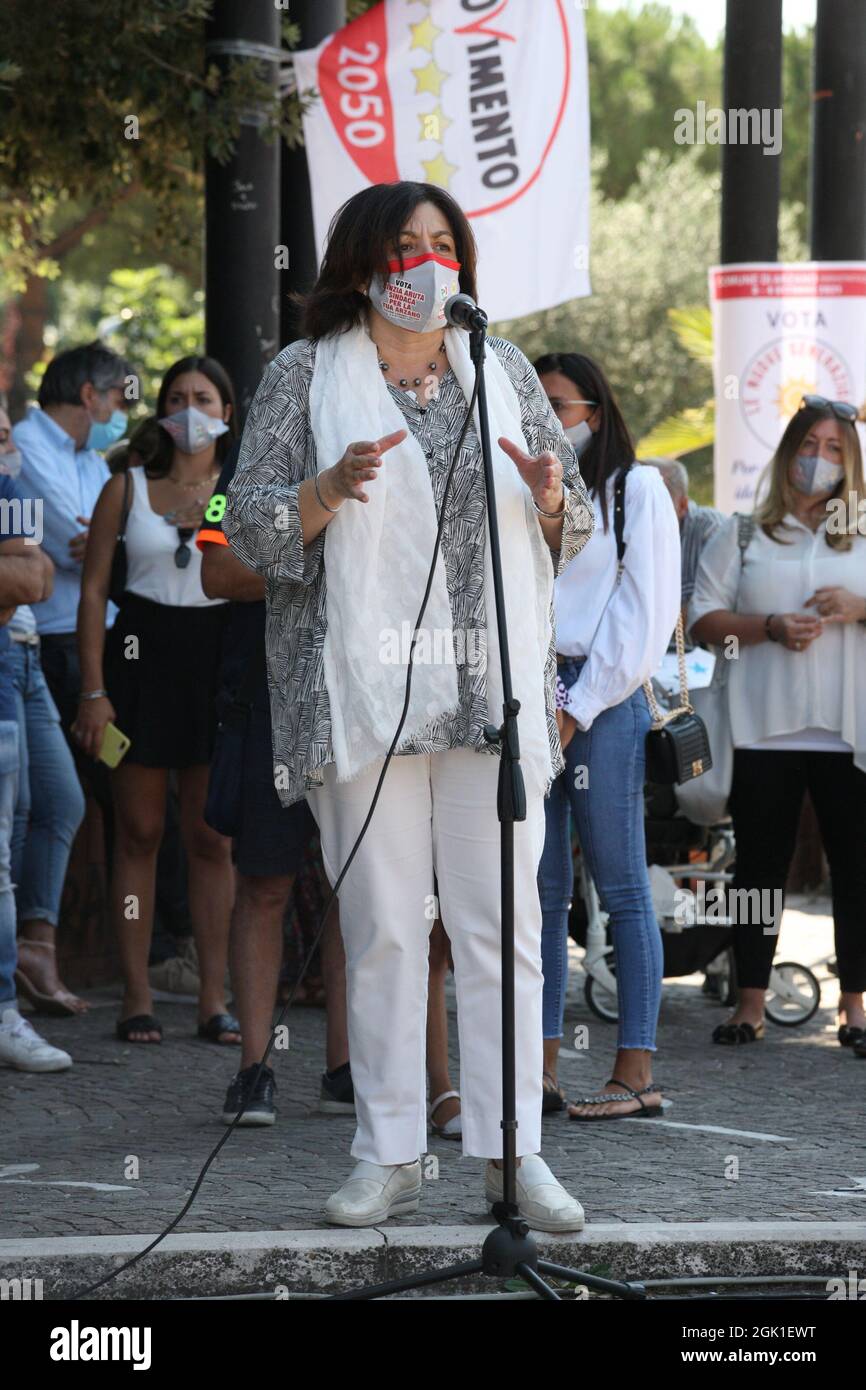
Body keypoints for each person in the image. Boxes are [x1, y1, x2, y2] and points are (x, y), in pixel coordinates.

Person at [223, 181, 594, 1230]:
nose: (424, 263)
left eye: (443, 245)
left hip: (491, 691)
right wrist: (327, 488)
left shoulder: (501, 366)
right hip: (364, 690)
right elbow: (243, 524)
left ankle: (510, 1152)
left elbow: (564, 529)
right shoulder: (303, 374)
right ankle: (385, 1150)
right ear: (360, 261)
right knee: (384, 926)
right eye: (403, 245)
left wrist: (554, 498)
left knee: (503, 928)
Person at [689, 396, 866, 1049]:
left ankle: (856, 1008)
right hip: (762, 729)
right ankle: (750, 1004)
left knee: (858, 866)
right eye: (810, 445)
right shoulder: (741, 532)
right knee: (759, 868)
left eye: (835, 449)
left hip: (851, 730)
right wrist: (765, 627)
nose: (820, 460)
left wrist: (857, 605)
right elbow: (701, 621)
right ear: (788, 451)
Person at [74, 357, 239, 1046]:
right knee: (138, 832)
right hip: (139, 662)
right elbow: (91, 594)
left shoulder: (235, 490)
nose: (190, 409)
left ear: (227, 412)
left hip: (214, 660)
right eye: (177, 397)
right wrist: (94, 690)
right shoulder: (127, 487)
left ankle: (213, 997)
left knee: (210, 837)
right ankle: (137, 994)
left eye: (204, 398)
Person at [533, 351, 680, 1119]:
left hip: (605, 694)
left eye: (558, 406)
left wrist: (577, 707)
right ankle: (545, 1069)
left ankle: (635, 1070)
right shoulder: (534, 487)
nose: (547, 419)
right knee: (544, 888)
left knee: (619, 884)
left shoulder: (637, 487)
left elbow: (644, 617)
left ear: (595, 410)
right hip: (535, 688)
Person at [198, 442, 349, 1124]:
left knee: (362, 889)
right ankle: (253, 1070)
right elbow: (218, 571)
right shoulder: (242, 469)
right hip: (267, 702)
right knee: (263, 882)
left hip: (359, 702)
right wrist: (327, 564)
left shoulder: (383, 450)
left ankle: (346, 1070)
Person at [0, 408, 87, 1016]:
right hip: (13, 661)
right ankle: (15, 979)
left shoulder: (10, 489)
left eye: (7, 432)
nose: (8, 444)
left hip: (26, 657)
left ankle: (34, 948)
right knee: (18, 814)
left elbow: (38, 579)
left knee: (60, 803)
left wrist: (23, 573)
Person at [644, 456, 724, 627]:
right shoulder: (621, 532)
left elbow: (709, 610)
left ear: (682, 505)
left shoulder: (709, 529)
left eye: (655, 500)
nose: (642, 508)